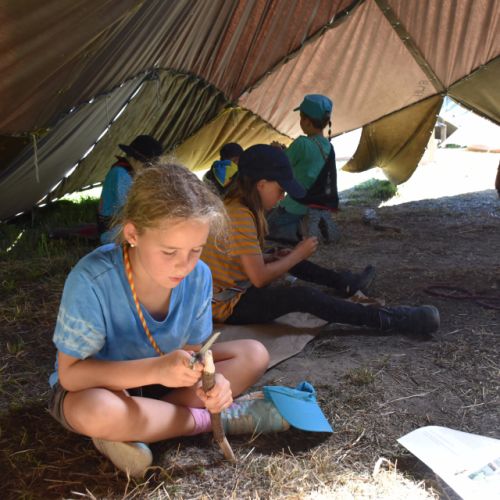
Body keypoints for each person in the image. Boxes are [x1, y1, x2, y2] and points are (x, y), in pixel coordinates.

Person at [48, 163, 291, 478]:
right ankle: (207, 421)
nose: (184, 265)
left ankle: (135, 428)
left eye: (196, 250)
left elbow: (193, 353)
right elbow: (71, 376)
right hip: (102, 387)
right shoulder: (92, 279)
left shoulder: (199, 276)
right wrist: (158, 371)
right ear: (133, 234)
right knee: (97, 411)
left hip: (164, 383)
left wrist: (209, 380)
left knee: (254, 353)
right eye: (169, 252)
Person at [202, 144, 440, 337]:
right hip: (228, 306)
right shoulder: (240, 215)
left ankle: (346, 283)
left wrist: (273, 257)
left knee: (285, 256)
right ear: (261, 184)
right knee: (301, 295)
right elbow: (259, 278)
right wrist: (298, 254)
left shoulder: (241, 207)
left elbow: (235, 260)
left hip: (234, 290)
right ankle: (391, 319)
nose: (283, 196)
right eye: (281, 189)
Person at [267, 94, 339, 244]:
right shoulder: (329, 146)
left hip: (295, 205)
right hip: (317, 204)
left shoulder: (301, 143)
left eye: (301, 117)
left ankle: (297, 233)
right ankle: (312, 227)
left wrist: (276, 151)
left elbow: (281, 165)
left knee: (265, 228)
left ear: (307, 121)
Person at [97, 135, 163, 244]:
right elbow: (132, 209)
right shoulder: (120, 173)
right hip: (113, 231)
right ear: (133, 159)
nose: (147, 170)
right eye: (146, 166)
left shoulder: (129, 172)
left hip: (123, 226)